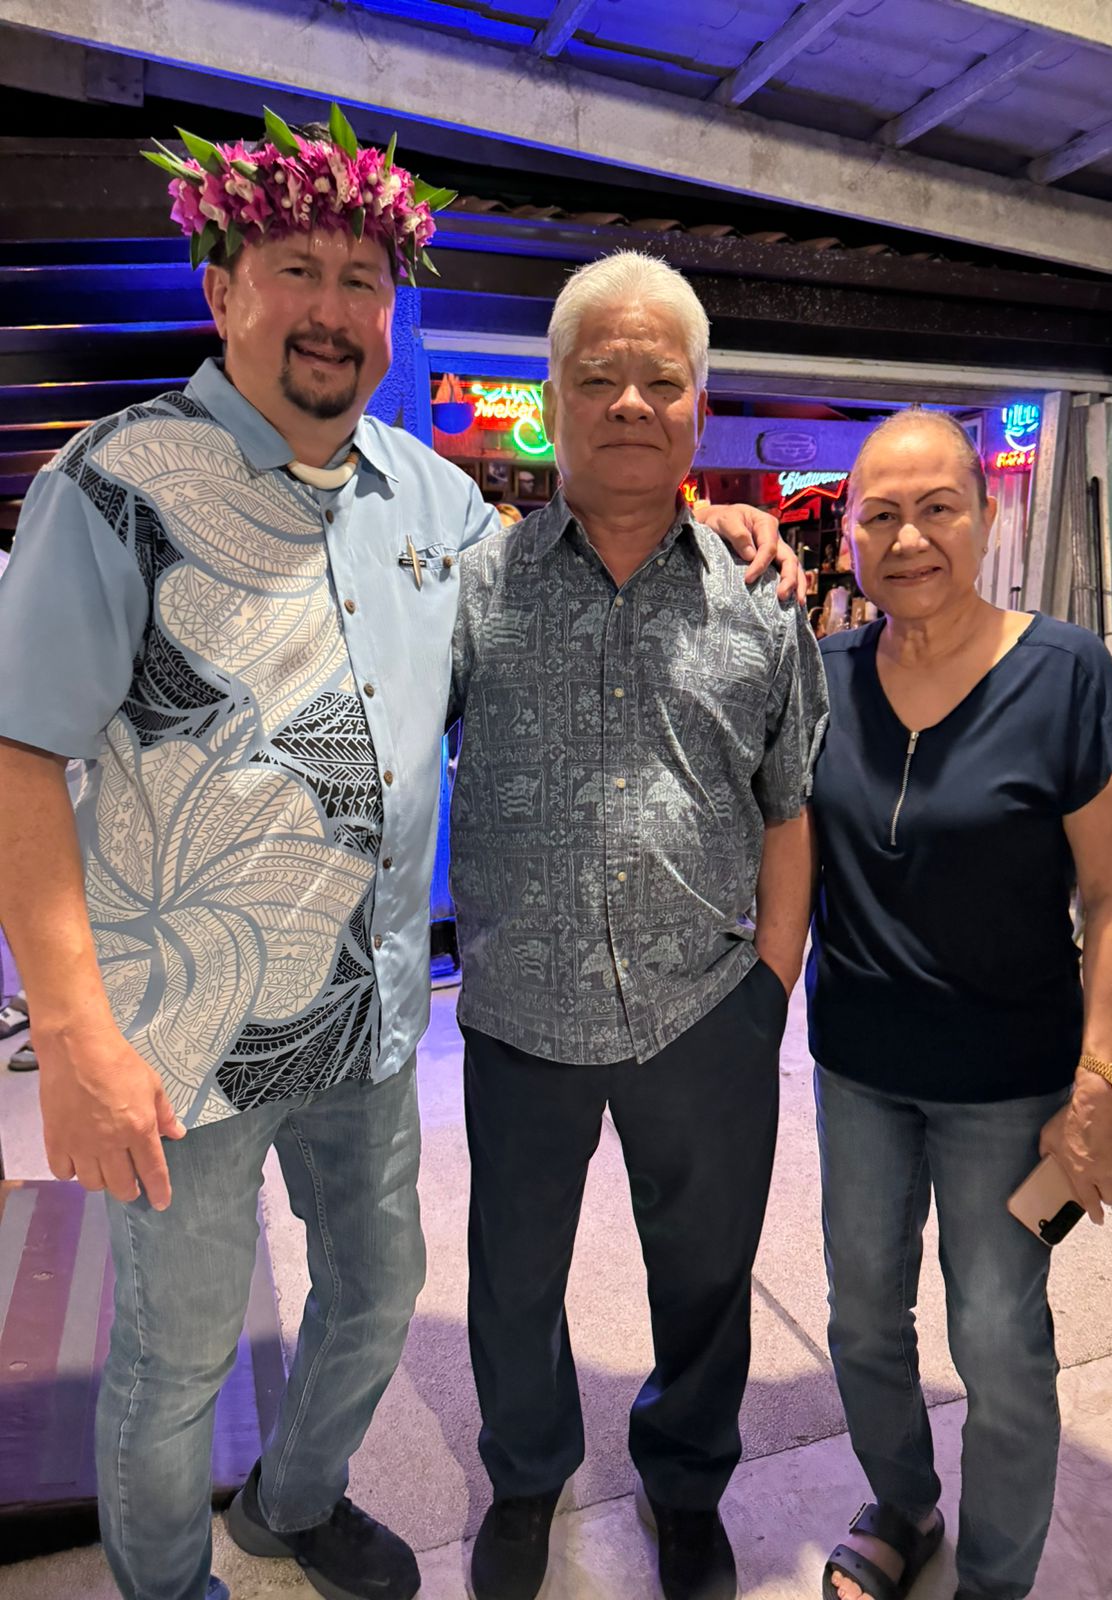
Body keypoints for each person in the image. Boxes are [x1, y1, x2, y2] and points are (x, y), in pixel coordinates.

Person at [0, 112, 793, 1600]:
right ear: (221, 287)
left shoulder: (432, 501)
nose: (331, 309)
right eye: (295, 269)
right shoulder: (113, 484)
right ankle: (172, 1585)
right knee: (173, 1361)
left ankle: (295, 1500)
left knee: (378, 1298)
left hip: (369, 1021)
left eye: (362, 281)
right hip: (182, 1038)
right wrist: (71, 1028)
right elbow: (18, 756)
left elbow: (595, 563)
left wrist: (720, 518)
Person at [448, 252, 828, 1600]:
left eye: (657, 381)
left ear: (698, 408)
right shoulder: (474, 587)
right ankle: (528, 1475)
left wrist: (770, 987)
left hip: (701, 1011)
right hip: (516, 1016)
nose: (626, 402)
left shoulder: (761, 604)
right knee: (510, 1281)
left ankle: (685, 1484)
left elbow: (790, 809)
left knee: (707, 1278)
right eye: (596, 377)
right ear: (552, 399)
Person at [806, 409, 1112, 1600]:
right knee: (860, 1320)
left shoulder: (1068, 675)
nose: (910, 536)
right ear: (848, 531)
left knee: (1000, 1343)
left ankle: (995, 1579)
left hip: (1011, 1086)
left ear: (987, 516)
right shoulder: (826, 676)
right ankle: (901, 1505)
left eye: (938, 506)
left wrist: (1101, 1084)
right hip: (857, 1068)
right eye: (882, 512)